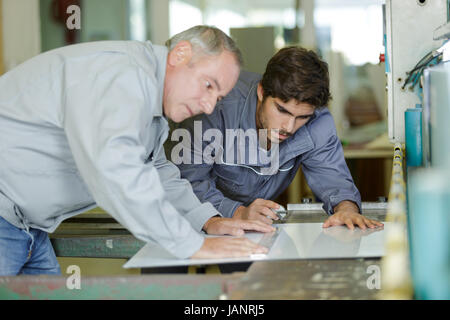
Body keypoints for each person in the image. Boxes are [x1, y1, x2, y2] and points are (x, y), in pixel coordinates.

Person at [0, 25, 274, 276]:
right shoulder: (121, 76)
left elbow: (156, 169)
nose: (209, 107)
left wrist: (207, 220)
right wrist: (191, 246)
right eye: (208, 85)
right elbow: (118, 171)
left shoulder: (148, 99)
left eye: (219, 97)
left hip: (27, 227)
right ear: (180, 54)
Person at [166, 46, 384, 230]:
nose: (288, 127)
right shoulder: (214, 106)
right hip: (186, 216)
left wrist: (346, 209)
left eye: (302, 117)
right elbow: (189, 181)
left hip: (257, 222)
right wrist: (238, 212)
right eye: (282, 110)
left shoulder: (318, 120)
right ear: (262, 92)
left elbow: (333, 177)